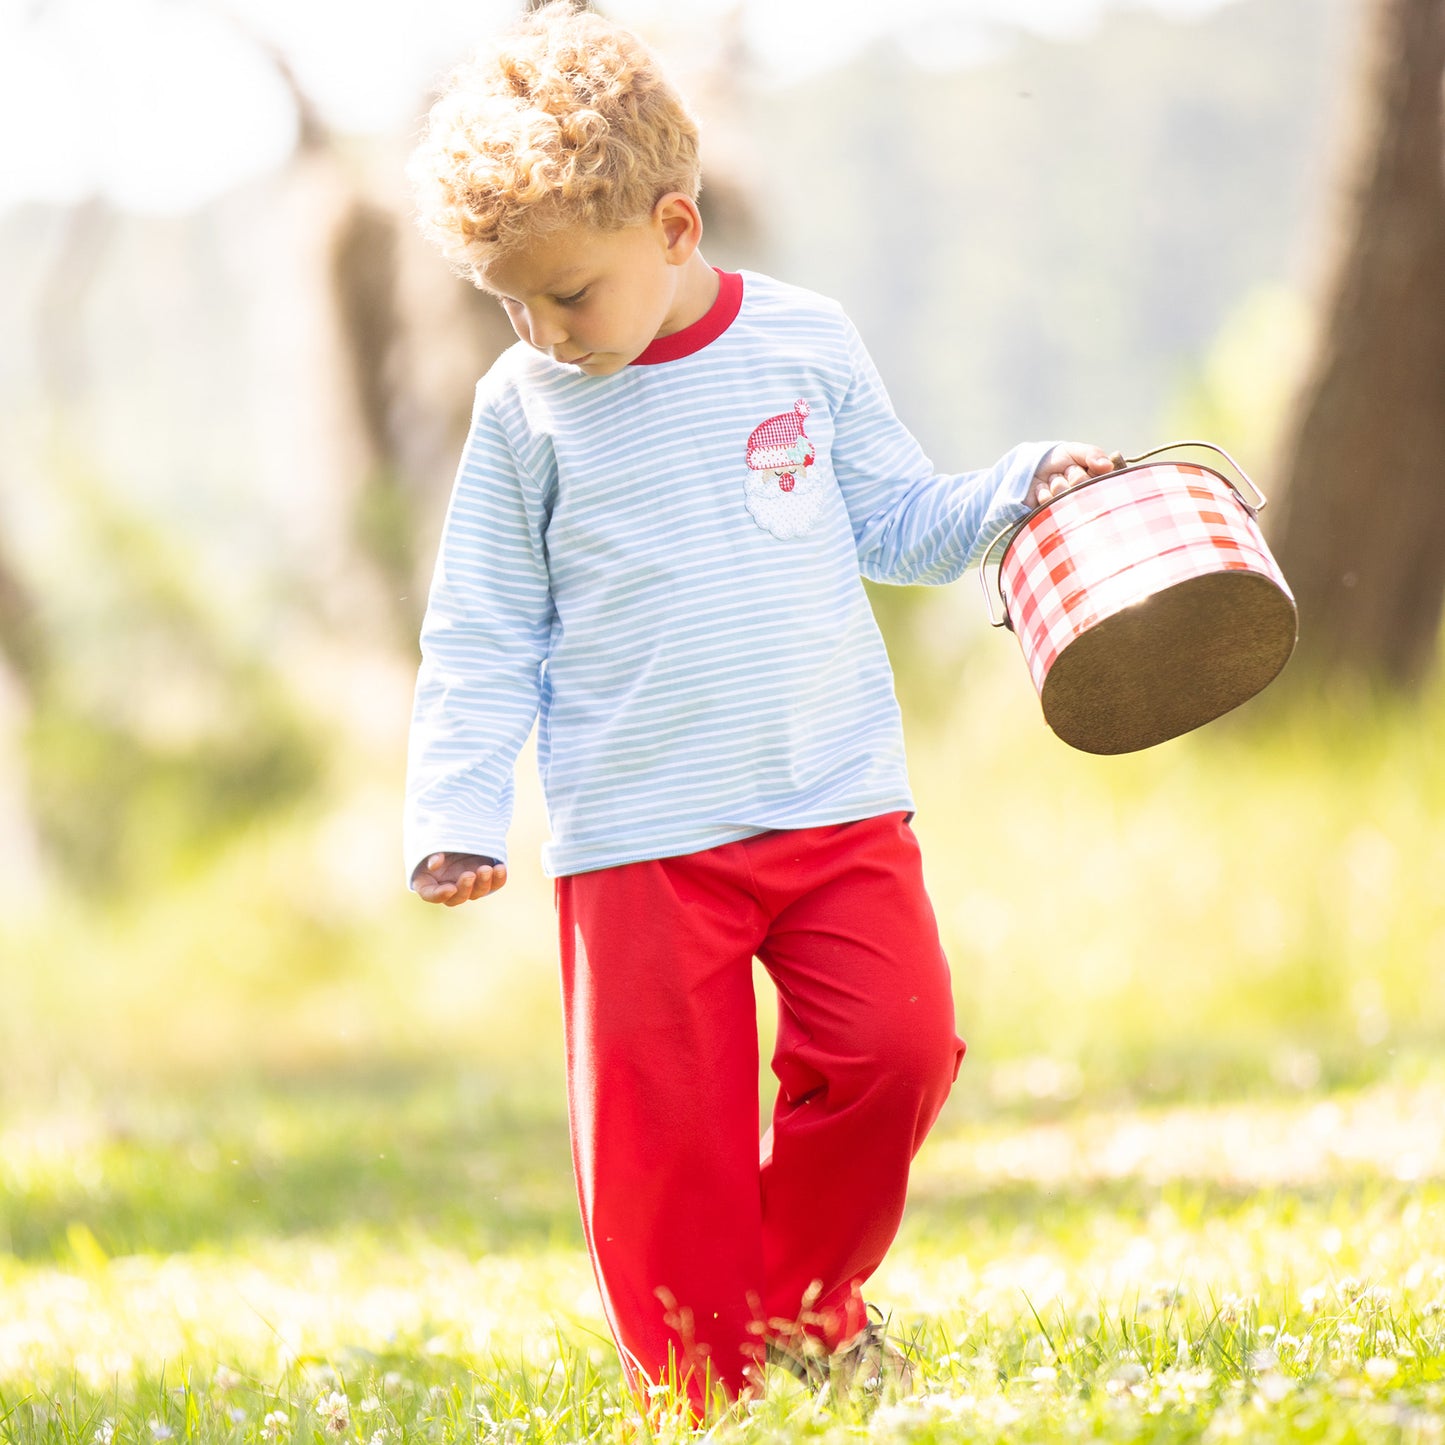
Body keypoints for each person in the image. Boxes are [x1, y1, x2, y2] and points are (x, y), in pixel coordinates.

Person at [403, 0, 1114, 1415]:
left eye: (566, 293)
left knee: (894, 1050)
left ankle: (800, 1305)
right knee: (664, 1152)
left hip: (831, 798)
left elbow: (897, 521)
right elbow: (484, 629)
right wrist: (455, 805)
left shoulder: (799, 342)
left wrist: (1016, 484)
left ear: (674, 226)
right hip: (638, 838)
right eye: (508, 302)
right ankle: (702, 1393)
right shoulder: (522, 409)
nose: (541, 329)